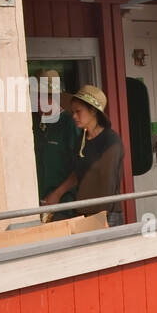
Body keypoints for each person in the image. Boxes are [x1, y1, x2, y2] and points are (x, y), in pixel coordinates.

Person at [40, 85, 125, 226]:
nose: (74, 116)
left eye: (78, 111)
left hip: (106, 215)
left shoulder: (110, 140)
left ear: (93, 111)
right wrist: (58, 193)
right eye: (73, 112)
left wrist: (93, 218)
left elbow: (107, 183)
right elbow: (78, 173)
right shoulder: (82, 139)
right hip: (84, 213)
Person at [32, 70, 78, 208]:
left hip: (66, 203)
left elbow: (81, 168)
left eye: (39, 98)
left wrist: (58, 194)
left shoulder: (71, 124)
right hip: (39, 202)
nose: (35, 103)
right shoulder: (36, 122)